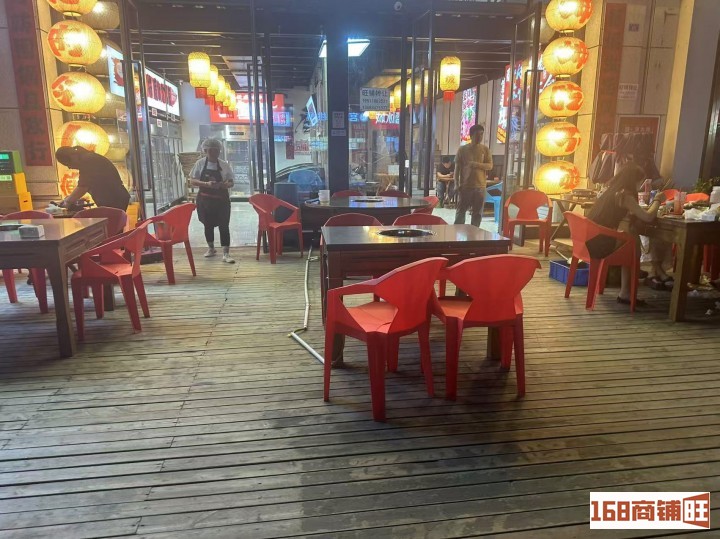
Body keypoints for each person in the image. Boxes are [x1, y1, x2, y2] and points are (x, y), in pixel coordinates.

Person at [587, 164, 668, 306]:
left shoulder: (610, 191)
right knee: (633, 244)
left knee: (631, 238)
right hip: (600, 245)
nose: (640, 185)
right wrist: (657, 200)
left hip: (590, 240)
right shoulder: (625, 195)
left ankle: (626, 292)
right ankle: (626, 293)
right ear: (633, 180)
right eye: (640, 182)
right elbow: (648, 217)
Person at [189, 138, 235, 264]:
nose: (214, 153)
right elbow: (192, 180)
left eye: (216, 150)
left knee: (224, 225)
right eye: (211, 150)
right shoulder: (200, 164)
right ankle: (211, 248)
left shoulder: (224, 165)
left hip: (222, 201)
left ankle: (226, 253)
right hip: (205, 200)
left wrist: (225, 185)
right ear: (205, 151)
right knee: (207, 224)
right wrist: (206, 184)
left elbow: (231, 182)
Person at [55, 146, 130, 211]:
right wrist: (69, 199)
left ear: (72, 156)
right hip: (115, 198)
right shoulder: (88, 158)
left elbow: (83, 187)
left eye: (68, 164)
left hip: (114, 199)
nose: (69, 167)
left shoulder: (88, 160)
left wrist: (67, 201)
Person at [453, 125, 494, 227]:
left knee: (477, 213)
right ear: (471, 135)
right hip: (465, 186)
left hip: (480, 186)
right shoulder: (462, 150)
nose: (480, 137)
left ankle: (474, 233)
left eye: (481, 134)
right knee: (461, 212)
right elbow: (457, 169)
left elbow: (490, 166)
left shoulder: (485, 149)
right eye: (477, 134)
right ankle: (456, 232)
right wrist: (456, 184)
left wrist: (476, 164)